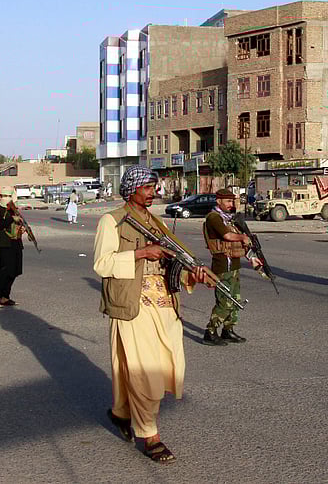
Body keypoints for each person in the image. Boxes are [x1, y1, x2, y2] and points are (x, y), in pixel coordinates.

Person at [93, 165, 208, 463]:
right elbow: (102, 265)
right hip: (134, 306)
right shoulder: (112, 221)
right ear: (131, 190)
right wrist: (141, 253)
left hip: (166, 306)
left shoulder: (157, 222)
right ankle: (150, 435)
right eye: (147, 188)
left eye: (153, 187)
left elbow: (174, 261)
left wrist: (193, 275)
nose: (152, 193)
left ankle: (121, 413)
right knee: (144, 373)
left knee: (162, 364)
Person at [202, 189, 260, 345]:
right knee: (224, 301)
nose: (231, 204)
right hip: (222, 266)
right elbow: (227, 236)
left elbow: (240, 241)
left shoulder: (229, 219)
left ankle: (228, 330)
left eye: (233, 201)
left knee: (235, 300)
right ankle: (210, 332)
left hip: (233, 265)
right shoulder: (214, 218)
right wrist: (242, 237)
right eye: (228, 201)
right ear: (218, 201)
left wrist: (253, 258)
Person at [0, 186, 24, 308]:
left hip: (15, 243)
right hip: (3, 245)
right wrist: (11, 218)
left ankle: (5, 297)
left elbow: (19, 223)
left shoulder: (14, 209)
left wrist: (21, 228)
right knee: (2, 272)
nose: (6, 198)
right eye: (3, 196)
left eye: (8, 196)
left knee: (14, 271)